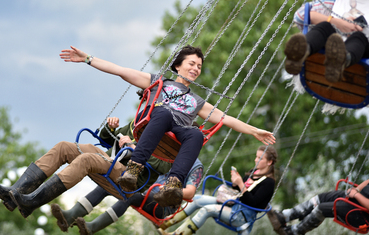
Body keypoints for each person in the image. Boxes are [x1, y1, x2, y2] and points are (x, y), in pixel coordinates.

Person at [60, 45, 276, 208]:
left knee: (196, 134)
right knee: (164, 112)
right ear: (178, 65)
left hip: (176, 133)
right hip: (158, 122)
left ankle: (173, 185)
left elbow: (225, 118)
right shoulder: (158, 82)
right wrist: (88, 59)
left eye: (199, 66)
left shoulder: (197, 101)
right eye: (191, 63)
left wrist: (254, 130)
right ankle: (134, 169)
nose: (196, 68)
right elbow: (121, 70)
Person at [0, 116, 171, 219]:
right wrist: (109, 127)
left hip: (129, 180)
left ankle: (33, 201)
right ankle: (15, 193)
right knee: (64, 147)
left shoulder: (170, 143)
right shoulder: (139, 124)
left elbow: (162, 166)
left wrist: (133, 148)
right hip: (108, 161)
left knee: (87, 159)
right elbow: (107, 139)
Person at [284, 0, 369, 83]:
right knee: (325, 26)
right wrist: (336, 22)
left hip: (361, 62)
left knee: (360, 38)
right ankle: (301, 52)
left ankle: (341, 60)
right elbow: (301, 16)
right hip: (325, 53)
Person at [59, 158, 203, 234]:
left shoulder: (195, 165)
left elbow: (190, 192)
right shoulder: (166, 152)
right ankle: (71, 215)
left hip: (163, 205)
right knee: (112, 182)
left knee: (132, 196)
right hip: (145, 193)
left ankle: (92, 228)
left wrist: (169, 190)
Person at [157, 145, 277, 235]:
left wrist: (241, 184)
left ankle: (177, 234)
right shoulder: (252, 174)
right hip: (232, 205)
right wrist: (236, 182)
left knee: (207, 210)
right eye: (256, 157)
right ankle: (165, 223)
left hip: (241, 215)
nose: (256, 160)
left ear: (269, 162)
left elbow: (252, 202)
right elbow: (239, 191)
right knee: (197, 199)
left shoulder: (268, 183)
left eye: (260, 158)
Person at [268, 179, 369, 235]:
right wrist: (356, 190)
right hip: (354, 200)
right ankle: (286, 215)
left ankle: (295, 231)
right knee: (321, 198)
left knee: (322, 209)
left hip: (360, 214)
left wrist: (356, 195)